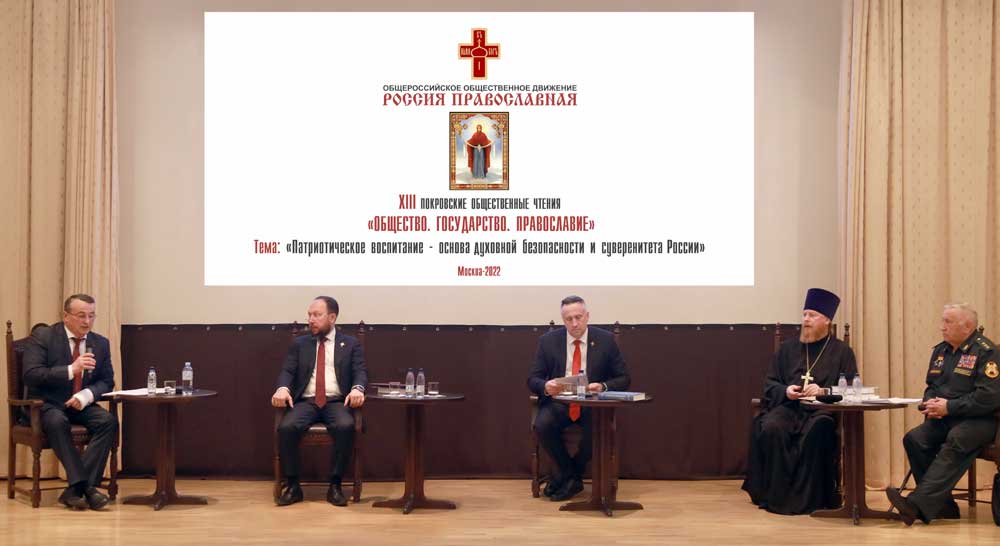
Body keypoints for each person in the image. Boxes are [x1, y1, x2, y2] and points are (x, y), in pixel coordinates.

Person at [742, 288, 858, 515]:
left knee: (820, 429)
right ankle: (777, 496)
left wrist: (823, 391)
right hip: (789, 408)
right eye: (804, 314)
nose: (806, 320)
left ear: (827, 320)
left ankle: (810, 499)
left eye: (812, 315)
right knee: (771, 426)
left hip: (821, 411)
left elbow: (853, 388)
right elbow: (770, 384)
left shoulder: (842, 352)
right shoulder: (787, 349)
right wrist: (786, 391)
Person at [886, 303, 1000, 525]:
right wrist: (930, 402)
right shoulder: (941, 351)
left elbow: (988, 397)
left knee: (957, 438)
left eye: (948, 322)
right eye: (943, 321)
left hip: (980, 419)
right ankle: (943, 507)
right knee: (914, 439)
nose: (942, 327)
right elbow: (932, 385)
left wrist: (950, 407)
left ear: (967, 326)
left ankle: (916, 506)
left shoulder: (986, 352)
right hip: (945, 417)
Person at [527, 295, 630, 502]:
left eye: (578, 317)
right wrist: (546, 386)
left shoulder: (605, 340)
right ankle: (570, 475)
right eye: (569, 319)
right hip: (560, 403)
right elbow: (532, 379)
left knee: (598, 431)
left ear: (587, 316)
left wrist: (603, 386)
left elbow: (624, 378)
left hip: (592, 404)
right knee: (542, 424)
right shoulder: (548, 341)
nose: (574, 323)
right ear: (563, 320)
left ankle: (568, 475)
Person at [22, 294, 118, 510]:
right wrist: (71, 370)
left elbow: (107, 381)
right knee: (57, 420)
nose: (87, 321)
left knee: (107, 421)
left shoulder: (100, 343)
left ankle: (75, 490)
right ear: (66, 316)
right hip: (45, 404)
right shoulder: (44, 337)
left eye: (91, 316)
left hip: (78, 404)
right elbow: (31, 374)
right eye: (81, 315)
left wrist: (86, 396)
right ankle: (88, 488)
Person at [271, 296, 368, 507]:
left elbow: (360, 371)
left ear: (332, 317)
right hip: (307, 401)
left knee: (346, 426)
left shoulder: (350, 344)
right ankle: (293, 486)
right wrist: (282, 388)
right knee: (286, 427)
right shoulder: (300, 344)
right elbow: (288, 371)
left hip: (337, 401)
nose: (311, 320)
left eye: (317, 315)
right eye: (309, 315)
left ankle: (335, 485)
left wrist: (357, 389)